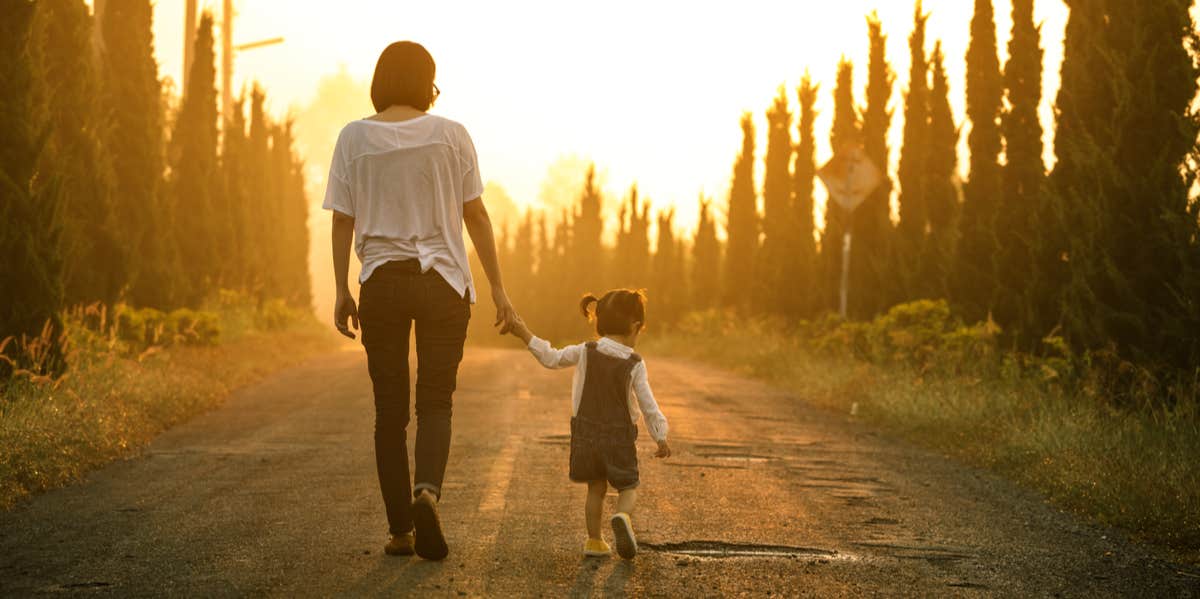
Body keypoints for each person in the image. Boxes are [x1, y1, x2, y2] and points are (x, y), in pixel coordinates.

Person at [324, 41, 517, 561]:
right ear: (427, 82)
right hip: (443, 284)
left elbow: (342, 219)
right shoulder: (452, 135)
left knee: (390, 413)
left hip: (382, 283)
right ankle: (427, 491)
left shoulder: (354, 137)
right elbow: (475, 215)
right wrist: (498, 288)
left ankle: (401, 532)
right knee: (436, 402)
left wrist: (343, 288)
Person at [508, 289, 671, 559]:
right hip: (618, 438)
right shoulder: (634, 363)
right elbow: (647, 403)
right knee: (628, 486)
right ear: (634, 327)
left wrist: (525, 333)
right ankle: (622, 516)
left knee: (596, 487)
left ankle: (594, 542)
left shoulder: (586, 350)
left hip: (585, 434)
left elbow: (551, 358)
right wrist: (660, 434)